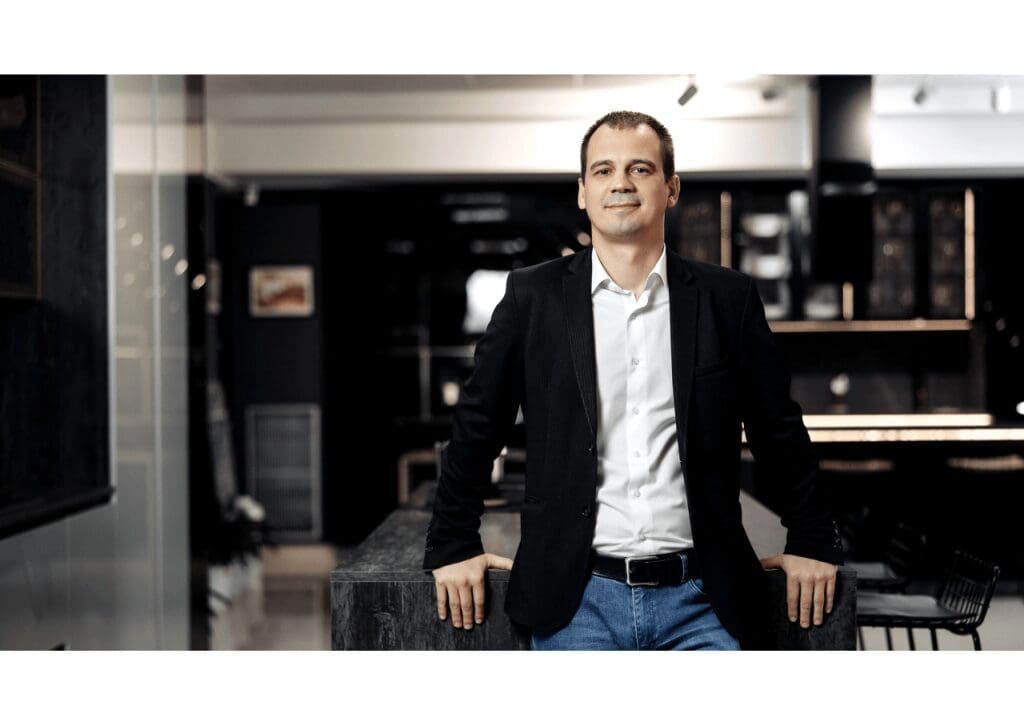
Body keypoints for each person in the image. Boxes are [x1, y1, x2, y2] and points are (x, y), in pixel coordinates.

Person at [421, 110, 843, 650]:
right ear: (583, 192)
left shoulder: (726, 299)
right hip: (577, 604)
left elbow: (776, 428)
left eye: (640, 169)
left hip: (704, 602)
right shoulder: (533, 297)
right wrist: (453, 541)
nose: (620, 182)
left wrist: (812, 537)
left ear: (671, 188)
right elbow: (479, 423)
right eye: (603, 170)